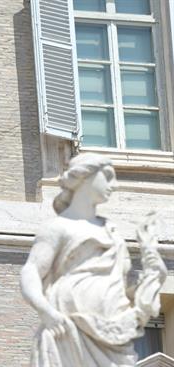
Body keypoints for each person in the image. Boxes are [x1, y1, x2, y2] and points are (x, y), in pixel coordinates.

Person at [20, 153, 167, 366]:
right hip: (68, 330)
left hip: (114, 332)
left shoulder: (113, 233)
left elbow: (125, 287)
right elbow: (31, 270)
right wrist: (46, 310)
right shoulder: (58, 227)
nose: (114, 185)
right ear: (84, 176)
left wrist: (152, 261)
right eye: (107, 176)